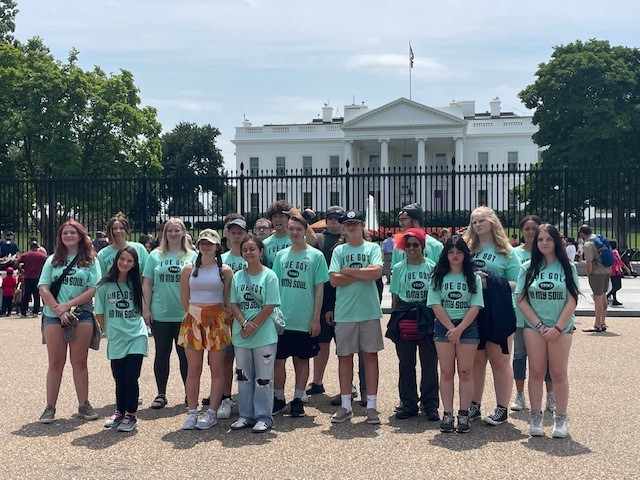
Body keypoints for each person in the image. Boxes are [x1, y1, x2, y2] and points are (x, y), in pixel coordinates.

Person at [516, 224, 579, 438]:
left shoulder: (567, 267)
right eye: (540, 239)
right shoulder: (527, 267)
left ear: (556, 242)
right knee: (536, 371)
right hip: (535, 327)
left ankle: (560, 417)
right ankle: (535, 415)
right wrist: (541, 326)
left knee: (559, 372)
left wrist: (558, 327)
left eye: (548, 239)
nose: (544, 243)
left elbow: (572, 299)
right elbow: (521, 299)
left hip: (561, 326)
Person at [37, 220, 102, 424]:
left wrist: (69, 305)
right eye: (65, 233)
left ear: (80, 235)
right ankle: (50, 406)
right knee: (55, 363)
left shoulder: (90, 260)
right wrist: (58, 309)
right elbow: (43, 287)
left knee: (79, 361)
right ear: (60, 237)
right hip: (53, 315)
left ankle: (84, 404)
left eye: (72, 232)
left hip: (80, 313)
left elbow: (93, 288)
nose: (68, 236)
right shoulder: (52, 260)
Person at [463, 206, 520, 426]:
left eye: (481, 221)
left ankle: (502, 408)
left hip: (499, 310)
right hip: (474, 309)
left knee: (500, 360)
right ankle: (474, 404)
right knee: (476, 360)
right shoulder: (468, 248)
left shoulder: (506, 250)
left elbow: (517, 283)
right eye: (474, 221)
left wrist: (489, 283)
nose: (477, 224)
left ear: (492, 222)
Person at [329, 210, 384, 425]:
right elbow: (334, 280)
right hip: (345, 312)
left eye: (355, 223)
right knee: (344, 357)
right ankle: (345, 405)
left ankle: (371, 405)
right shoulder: (339, 250)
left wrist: (348, 272)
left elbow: (377, 273)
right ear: (344, 227)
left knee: (370, 357)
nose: (351, 226)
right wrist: (363, 273)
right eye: (348, 223)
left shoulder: (372, 248)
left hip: (368, 310)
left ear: (362, 226)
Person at [272, 215, 328, 417]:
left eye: (298, 229)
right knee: (278, 360)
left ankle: (297, 398)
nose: (294, 232)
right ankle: (278, 398)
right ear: (287, 230)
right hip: (283, 319)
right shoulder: (281, 256)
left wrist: (316, 318)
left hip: (304, 318)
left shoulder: (316, 256)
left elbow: (319, 289)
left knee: (301, 360)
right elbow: (274, 286)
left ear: (305, 230)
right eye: (291, 229)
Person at [427, 235, 484, 433]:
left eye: (459, 252)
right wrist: (451, 327)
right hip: (444, 326)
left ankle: (464, 413)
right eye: (451, 252)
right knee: (446, 372)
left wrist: (459, 329)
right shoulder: (438, 277)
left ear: (465, 254)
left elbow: (476, 305)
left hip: (467, 327)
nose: (455, 255)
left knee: (465, 372)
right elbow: (435, 303)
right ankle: (448, 413)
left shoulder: (473, 277)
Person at [179, 229, 233, 430]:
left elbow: (227, 301)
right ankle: (192, 412)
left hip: (217, 320)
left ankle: (211, 412)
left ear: (217, 246)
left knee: (216, 368)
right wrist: (196, 314)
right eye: (203, 242)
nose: (206, 246)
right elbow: (184, 299)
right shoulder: (189, 268)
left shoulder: (225, 270)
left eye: (210, 243)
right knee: (194, 369)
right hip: (194, 320)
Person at [142, 218, 197, 409]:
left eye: (177, 230)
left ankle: (189, 394)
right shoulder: (155, 256)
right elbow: (147, 282)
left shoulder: (192, 255)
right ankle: (161, 393)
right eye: (169, 231)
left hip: (185, 314)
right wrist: (146, 308)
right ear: (164, 234)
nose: (173, 234)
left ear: (183, 233)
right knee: (162, 353)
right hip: (161, 313)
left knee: (185, 356)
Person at [229, 235, 280, 433]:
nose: (249, 253)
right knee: (243, 376)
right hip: (241, 334)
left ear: (261, 251)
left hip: (263, 334)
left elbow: (270, 304)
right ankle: (245, 414)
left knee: (263, 378)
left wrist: (253, 326)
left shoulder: (269, 276)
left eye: (252, 249)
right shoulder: (237, 276)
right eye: (245, 250)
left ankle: (264, 416)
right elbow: (233, 303)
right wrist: (243, 323)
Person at [95, 246, 149, 432]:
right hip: (116, 337)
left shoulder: (136, 285)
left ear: (134, 265)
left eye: (129, 261)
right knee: (119, 377)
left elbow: (141, 308)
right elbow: (99, 312)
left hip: (136, 335)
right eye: (122, 259)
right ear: (117, 260)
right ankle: (120, 410)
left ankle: (131, 415)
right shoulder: (103, 285)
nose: (125, 263)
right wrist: (107, 330)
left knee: (131, 375)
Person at [388, 228, 439, 421]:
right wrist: (394, 320)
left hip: (426, 315)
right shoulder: (399, 268)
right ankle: (408, 403)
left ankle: (430, 404)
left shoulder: (432, 267)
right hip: (405, 314)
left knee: (429, 362)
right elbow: (394, 294)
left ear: (422, 246)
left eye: (415, 245)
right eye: (407, 245)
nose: (411, 248)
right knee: (406, 363)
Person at [510, 216, 556, 413]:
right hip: (521, 313)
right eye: (527, 228)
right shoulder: (514, 253)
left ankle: (550, 395)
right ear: (522, 231)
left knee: (547, 358)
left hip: (545, 313)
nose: (530, 232)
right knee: (520, 354)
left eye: (534, 228)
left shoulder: (549, 255)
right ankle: (520, 394)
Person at [207, 216, 248, 418]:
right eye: (233, 232)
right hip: (224, 316)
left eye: (240, 232)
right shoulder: (221, 259)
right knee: (226, 358)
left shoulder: (251, 255)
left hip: (247, 314)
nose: (236, 236)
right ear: (227, 234)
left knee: (247, 358)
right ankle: (225, 397)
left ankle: (246, 396)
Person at [305, 205, 344, 399]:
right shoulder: (320, 239)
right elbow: (305, 231)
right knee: (322, 343)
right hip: (323, 296)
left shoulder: (348, 241)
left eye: (338, 218)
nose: (334, 221)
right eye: (331, 217)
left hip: (344, 298)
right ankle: (317, 381)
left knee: (345, 347)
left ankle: (347, 385)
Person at [578, 225, 610, 332]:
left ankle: (597, 324)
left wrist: (589, 273)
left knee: (597, 298)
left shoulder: (588, 244)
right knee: (604, 295)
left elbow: (589, 262)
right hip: (607, 270)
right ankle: (603, 322)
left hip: (596, 273)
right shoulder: (599, 238)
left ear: (582, 233)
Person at [97, 212, 149, 278]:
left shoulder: (139, 249)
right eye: (114, 228)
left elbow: (148, 274)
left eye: (121, 228)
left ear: (127, 230)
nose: (118, 231)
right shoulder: (102, 255)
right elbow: (101, 279)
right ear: (109, 231)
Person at [19, 242, 47, 317]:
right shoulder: (41, 255)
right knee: (36, 295)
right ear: (37, 247)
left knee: (26, 295)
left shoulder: (25, 255)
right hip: (37, 277)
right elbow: (47, 263)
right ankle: (35, 312)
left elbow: (17, 262)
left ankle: (23, 312)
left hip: (28, 277)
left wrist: (23, 269)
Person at [607, 239, 628, 307]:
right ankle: (606, 297)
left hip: (611, 271)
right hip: (616, 271)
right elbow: (619, 261)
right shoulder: (615, 252)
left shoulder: (609, 251)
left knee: (614, 286)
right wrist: (626, 268)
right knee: (618, 286)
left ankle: (614, 300)